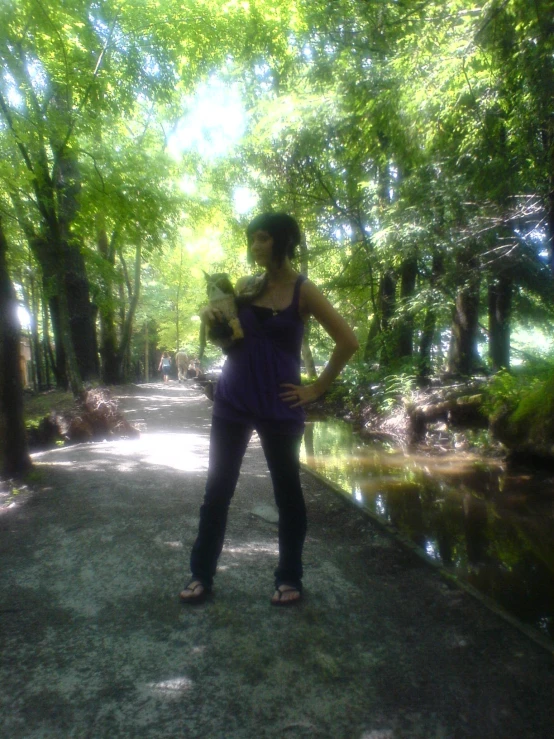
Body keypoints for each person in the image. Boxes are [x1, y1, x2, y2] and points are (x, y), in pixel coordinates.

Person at [180, 213, 359, 606]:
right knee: (217, 491)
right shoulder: (246, 286)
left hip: (280, 405)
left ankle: (289, 577)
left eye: (262, 238)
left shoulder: (303, 291)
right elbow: (228, 344)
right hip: (233, 400)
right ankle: (201, 574)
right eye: (251, 239)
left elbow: (348, 341)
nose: (254, 246)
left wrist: (316, 388)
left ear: (282, 242)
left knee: (288, 494)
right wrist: (214, 324)